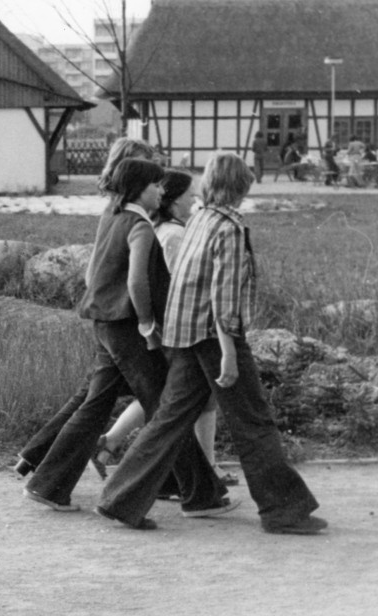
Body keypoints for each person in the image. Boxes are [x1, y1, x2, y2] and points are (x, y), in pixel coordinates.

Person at [97, 153, 326, 534]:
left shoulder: (200, 217)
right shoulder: (230, 228)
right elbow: (224, 297)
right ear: (242, 187)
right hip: (215, 336)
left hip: (184, 332)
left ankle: (119, 498)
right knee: (254, 421)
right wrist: (230, 353)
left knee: (169, 419)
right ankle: (282, 510)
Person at [22, 158, 232, 518]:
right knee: (166, 409)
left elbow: (96, 270)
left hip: (104, 323)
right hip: (129, 328)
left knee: (96, 404)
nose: (161, 192)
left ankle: (48, 484)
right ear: (139, 189)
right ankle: (199, 493)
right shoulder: (141, 227)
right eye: (155, 186)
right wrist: (149, 324)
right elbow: (137, 281)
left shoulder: (112, 216)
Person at [12, 137, 157, 478]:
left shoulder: (112, 209)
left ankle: (35, 456)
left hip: (106, 315)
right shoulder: (132, 215)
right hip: (123, 317)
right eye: (141, 166)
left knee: (92, 396)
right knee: (138, 398)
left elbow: (93, 269)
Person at [88, 169, 236, 487]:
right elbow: (175, 283)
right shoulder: (173, 234)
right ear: (173, 201)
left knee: (172, 393)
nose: (195, 203)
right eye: (190, 197)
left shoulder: (166, 229)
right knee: (185, 395)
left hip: (173, 323)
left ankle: (111, 442)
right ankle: (201, 468)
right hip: (178, 325)